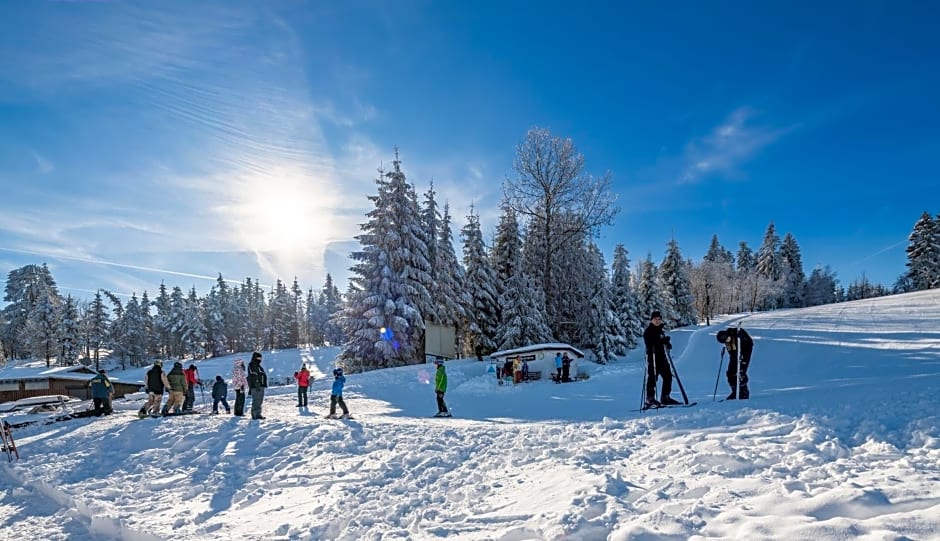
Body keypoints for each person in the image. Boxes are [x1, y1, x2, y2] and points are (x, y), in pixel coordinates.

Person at [643, 310, 678, 407]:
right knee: (653, 379)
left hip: (662, 358)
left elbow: (662, 341)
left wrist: (667, 344)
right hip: (653, 357)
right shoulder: (649, 331)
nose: (657, 321)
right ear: (651, 320)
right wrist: (661, 342)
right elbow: (650, 344)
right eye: (655, 319)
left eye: (659, 319)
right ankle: (650, 399)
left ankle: (665, 397)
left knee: (668, 377)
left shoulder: (660, 330)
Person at [718, 327, 754, 400]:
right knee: (730, 373)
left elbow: (749, 342)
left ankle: (743, 391)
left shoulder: (735, 332)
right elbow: (731, 351)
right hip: (734, 356)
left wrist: (741, 336)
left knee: (741, 372)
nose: (726, 340)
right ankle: (735, 391)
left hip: (744, 353)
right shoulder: (727, 341)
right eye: (724, 341)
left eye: (726, 338)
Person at [247, 351, 267, 420]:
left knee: (259, 401)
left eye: (260, 358)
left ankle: (258, 414)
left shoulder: (258, 366)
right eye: (258, 357)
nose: (260, 359)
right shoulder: (252, 365)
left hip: (260, 385)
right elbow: (254, 375)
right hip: (256, 386)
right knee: (256, 400)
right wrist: (257, 384)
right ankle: (255, 415)